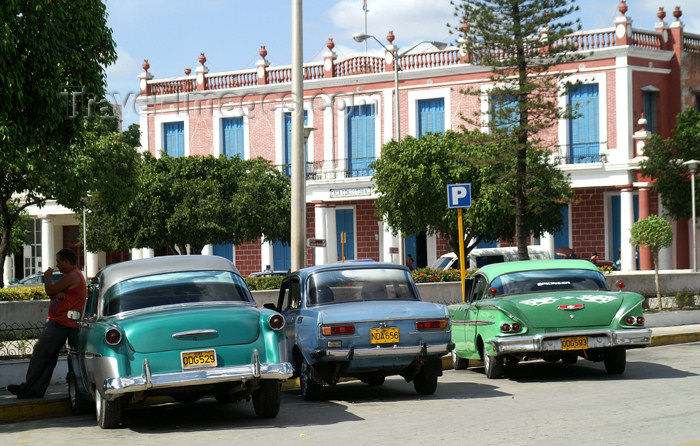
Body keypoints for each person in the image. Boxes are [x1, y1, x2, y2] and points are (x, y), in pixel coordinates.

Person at [7, 249, 87, 399]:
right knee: (48, 358)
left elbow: (49, 289)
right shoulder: (76, 276)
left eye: (59, 262)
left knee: (40, 353)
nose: (57, 266)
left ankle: (28, 386)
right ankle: (35, 389)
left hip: (60, 322)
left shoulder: (72, 276)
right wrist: (56, 293)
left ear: (66, 262)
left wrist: (47, 277)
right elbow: (53, 292)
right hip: (63, 322)